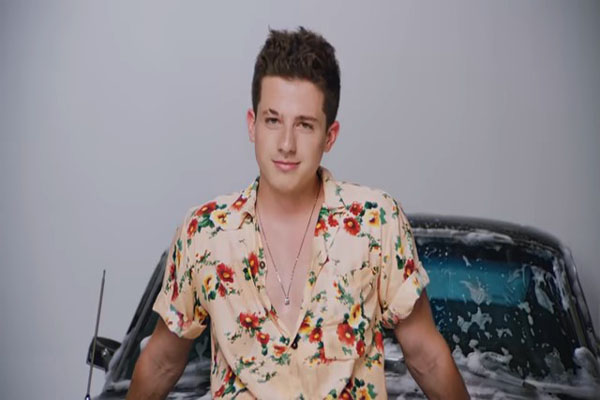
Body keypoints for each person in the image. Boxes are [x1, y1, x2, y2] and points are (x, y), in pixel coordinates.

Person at [127, 27, 469, 400]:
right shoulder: (205, 232)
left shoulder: (376, 223)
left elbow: (426, 357)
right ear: (252, 125)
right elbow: (162, 362)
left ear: (329, 136)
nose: (286, 144)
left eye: (304, 125)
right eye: (273, 120)